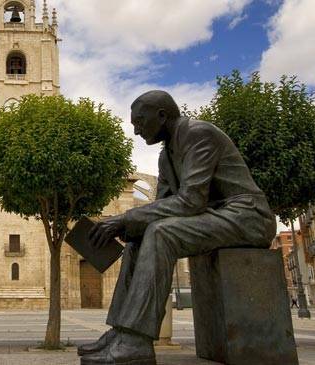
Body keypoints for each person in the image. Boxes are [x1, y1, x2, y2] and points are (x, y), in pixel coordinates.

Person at [79, 90, 276, 365]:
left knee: (161, 233)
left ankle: (137, 341)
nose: (136, 131)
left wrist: (125, 218)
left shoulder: (198, 134)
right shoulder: (165, 156)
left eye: (139, 122)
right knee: (141, 235)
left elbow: (191, 200)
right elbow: (161, 207)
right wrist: (127, 228)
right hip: (217, 216)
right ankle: (121, 332)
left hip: (247, 216)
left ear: (162, 116)